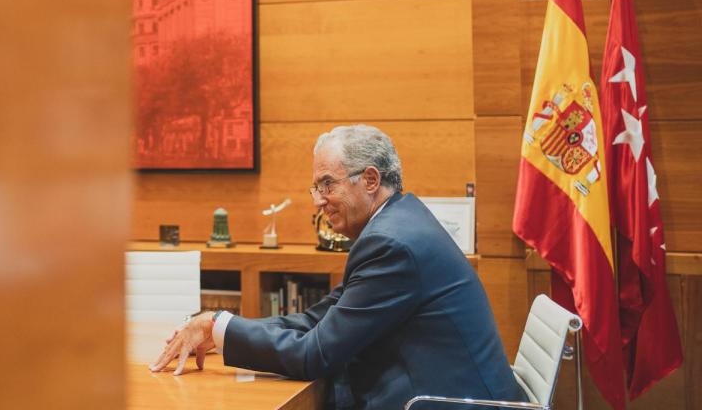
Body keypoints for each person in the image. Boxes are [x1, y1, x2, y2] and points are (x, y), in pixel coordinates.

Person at [150, 125, 527, 409]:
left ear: (370, 180)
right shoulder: (396, 222)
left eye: (327, 184)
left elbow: (315, 354)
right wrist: (223, 329)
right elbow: (317, 320)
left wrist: (218, 327)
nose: (318, 200)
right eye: (316, 188)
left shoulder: (391, 243)